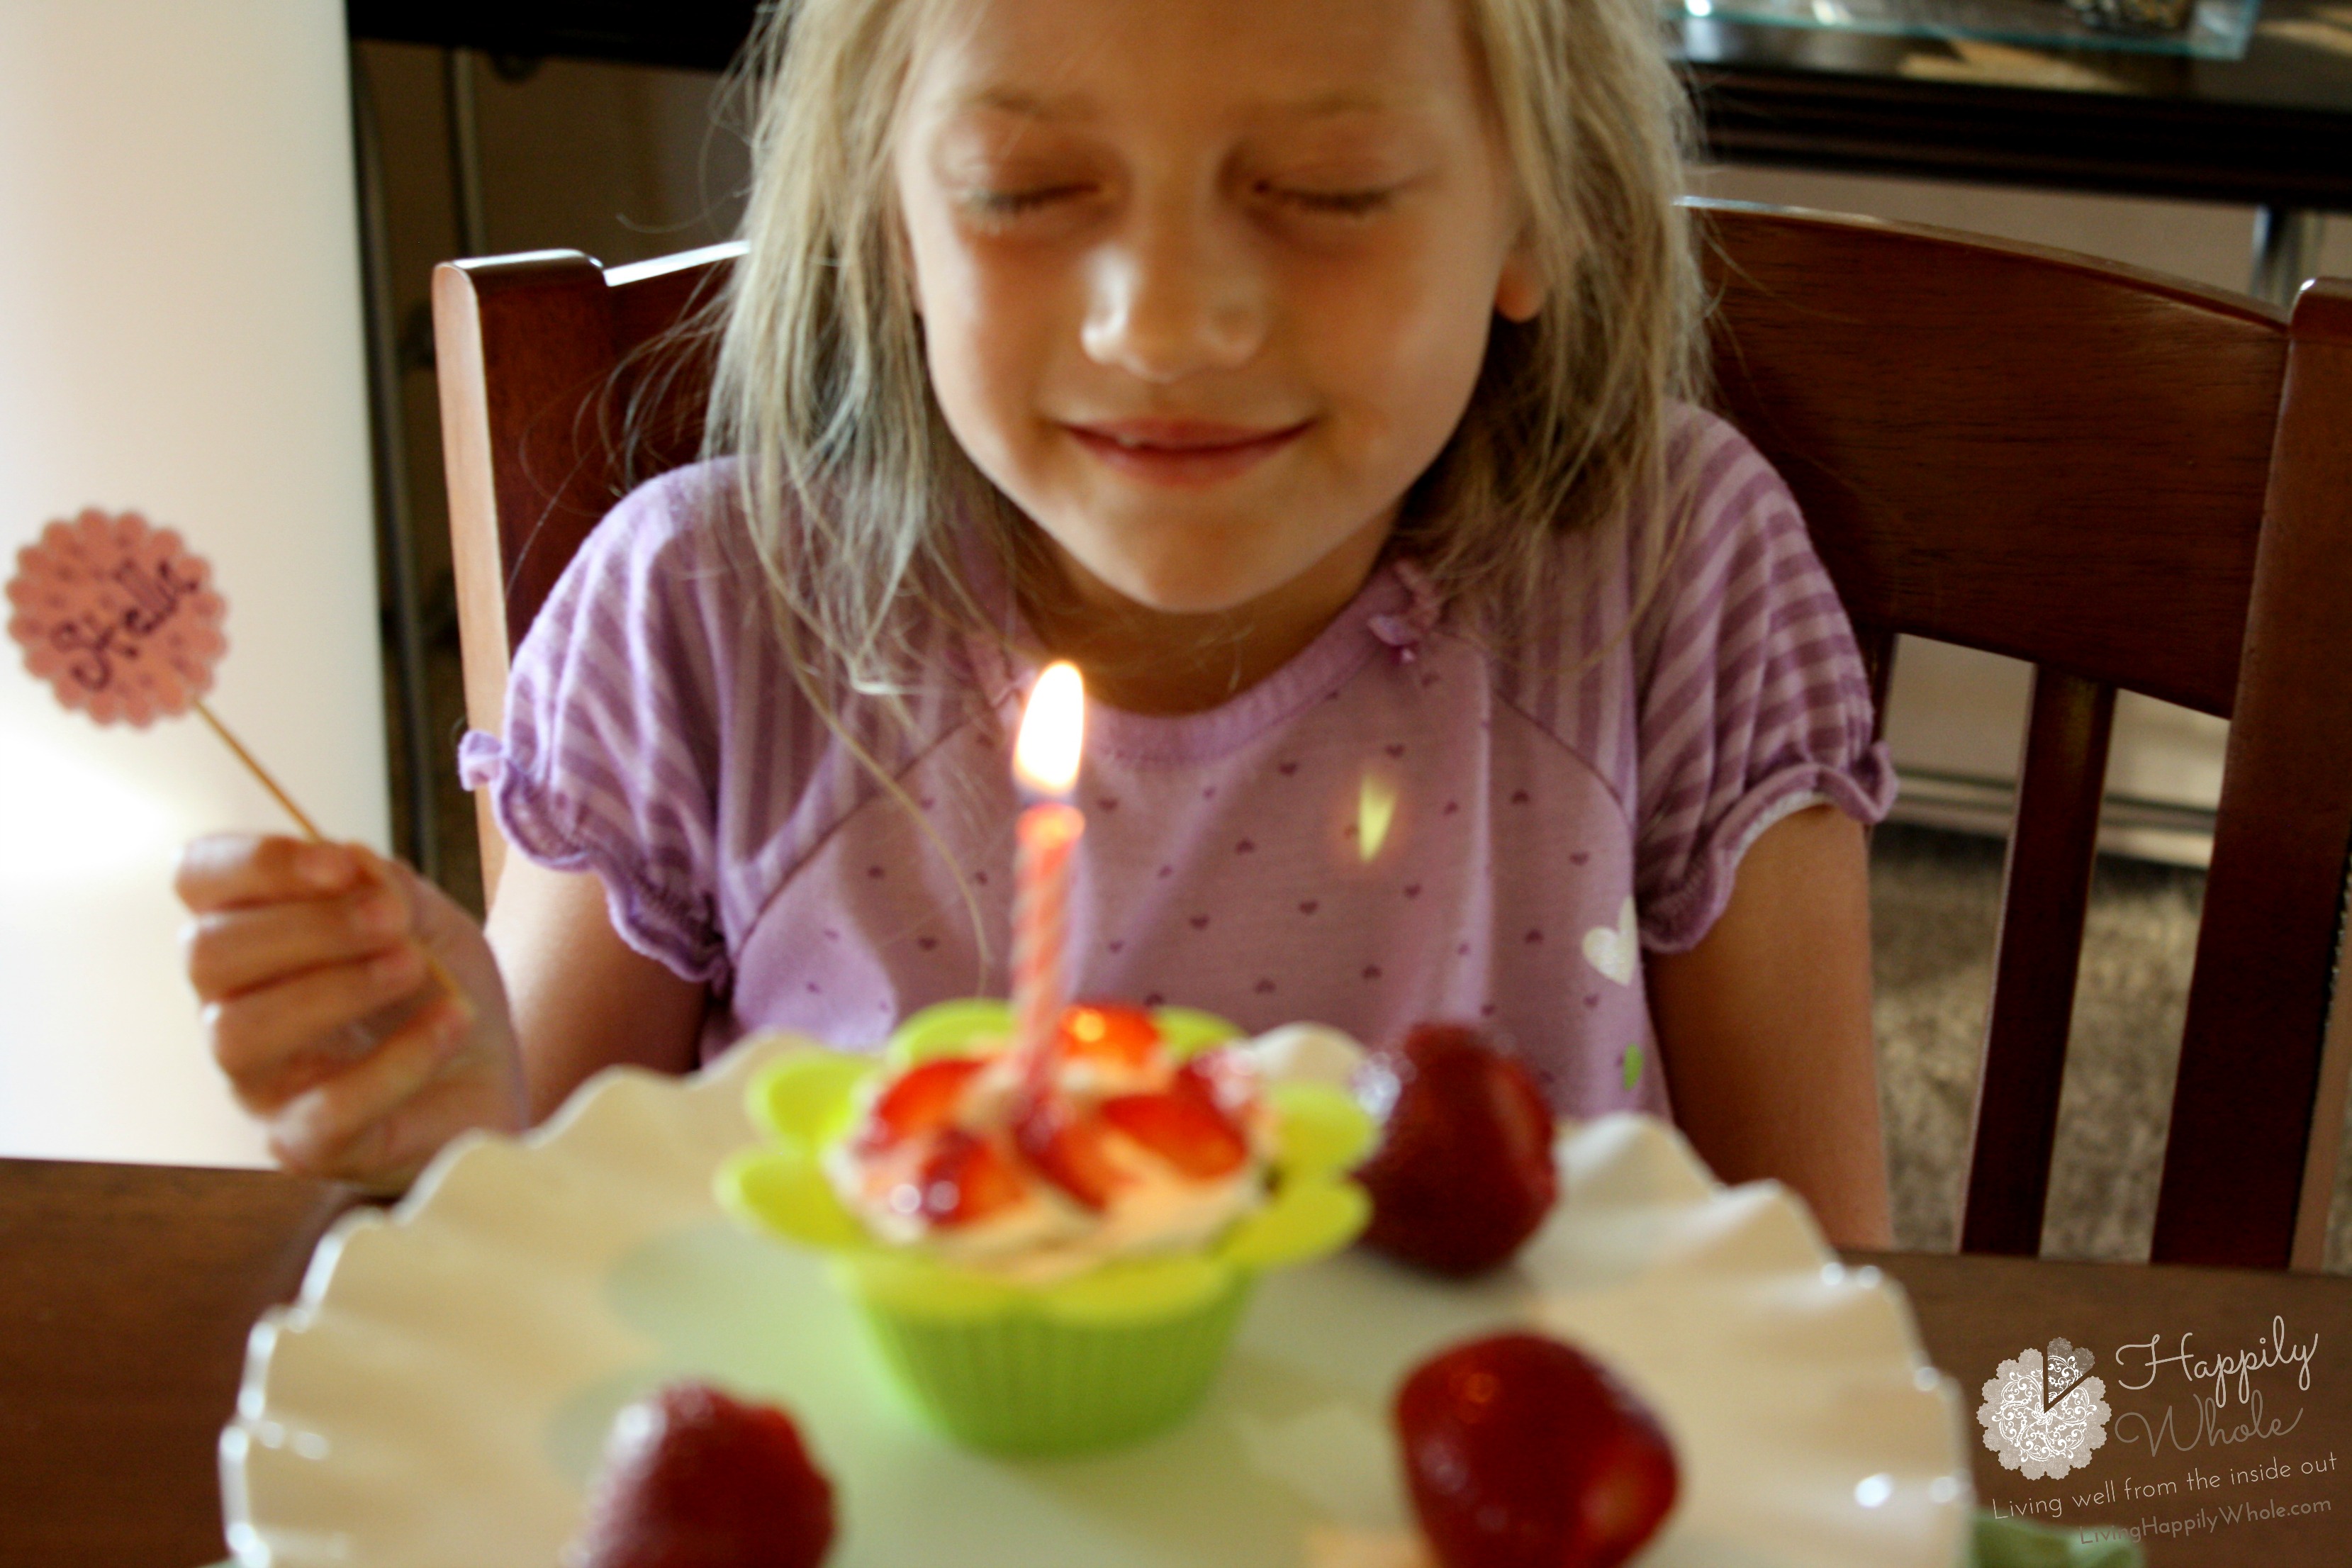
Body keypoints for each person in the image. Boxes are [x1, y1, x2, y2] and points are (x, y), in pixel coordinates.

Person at [174, 0, 1895, 1244]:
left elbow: (1820, 1304)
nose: (1165, 324)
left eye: (1332, 189)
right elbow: (531, 1275)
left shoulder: (1671, 577)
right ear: (890, 214)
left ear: (1543, 208)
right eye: (1024, 188)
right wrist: (445, 1125)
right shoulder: (700, 623)